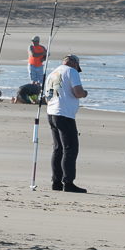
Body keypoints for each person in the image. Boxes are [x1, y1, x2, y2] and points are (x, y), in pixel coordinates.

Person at [45, 54, 88, 193]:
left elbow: (48, 96)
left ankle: (56, 182)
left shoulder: (52, 73)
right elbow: (78, 92)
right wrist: (85, 93)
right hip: (64, 114)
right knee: (70, 148)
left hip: (51, 112)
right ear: (74, 64)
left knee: (58, 149)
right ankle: (68, 182)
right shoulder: (71, 71)